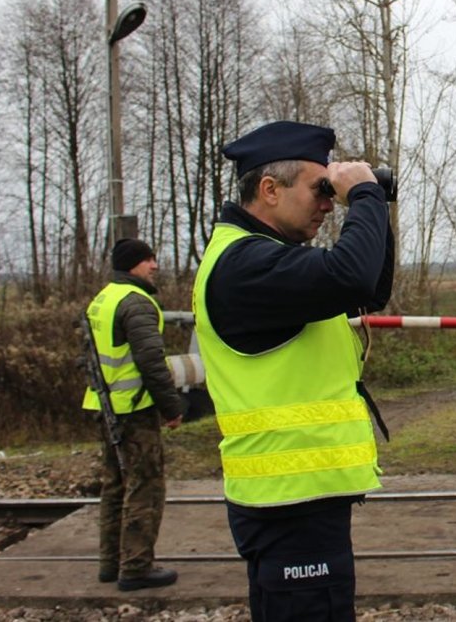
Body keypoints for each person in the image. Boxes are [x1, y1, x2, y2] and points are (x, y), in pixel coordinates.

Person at [192, 120, 394, 621]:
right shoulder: (245, 266)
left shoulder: (264, 258)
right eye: (318, 189)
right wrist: (364, 194)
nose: (328, 203)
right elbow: (351, 274)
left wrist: (372, 201)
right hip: (287, 506)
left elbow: (369, 287)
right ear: (269, 189)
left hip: (297, 499)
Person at [82, 238, 186, 591]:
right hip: (134, 409)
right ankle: (137, 567)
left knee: (114, 486)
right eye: (148, 259)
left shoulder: (102, 299)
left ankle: (110, 563)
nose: (154, 265)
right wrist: (171, 408)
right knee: (145, 487)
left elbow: (88, 356)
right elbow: (151, 362)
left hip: (106, 405)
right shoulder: (136, 303)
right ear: (133, 264)